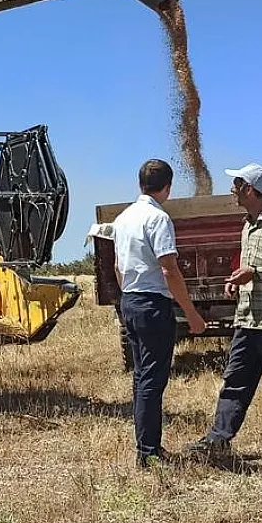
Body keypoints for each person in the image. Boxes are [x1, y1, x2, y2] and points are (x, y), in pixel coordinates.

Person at [184, 163, 262, 464]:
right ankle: (218, 439)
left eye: (237, 184)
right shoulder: (247, 224)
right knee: (235, 380)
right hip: (248, 318)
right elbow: (248, 267)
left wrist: (255, 273)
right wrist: (236, 283)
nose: (232, 190)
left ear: (250, 190)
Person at [112, 158, 207, 467]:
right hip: (153, 304)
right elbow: (169, 269)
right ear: (167, 187)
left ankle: (145, 446)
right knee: (153, 380)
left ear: (140, 184)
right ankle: (149, 453)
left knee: (141, 378)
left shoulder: (123, 218)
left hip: (131, 300)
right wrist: (191, 312)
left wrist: (127, 296)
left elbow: (117, 266)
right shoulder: (158, 218)